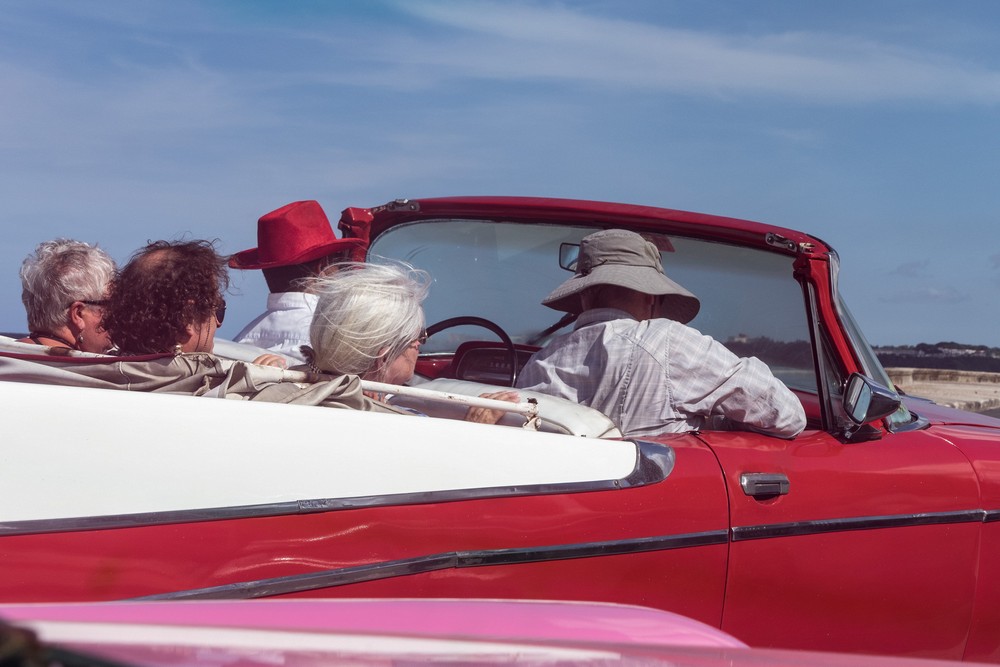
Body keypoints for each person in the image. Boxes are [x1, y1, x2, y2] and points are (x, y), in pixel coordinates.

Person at [516, 229, 806, 439]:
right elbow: (787, 415)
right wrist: (717, 424)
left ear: (582, 296)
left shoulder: (539, 364)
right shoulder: (668, 342)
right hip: (653, 511)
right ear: (652, 296)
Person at [306, 261, 517, 424]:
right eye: (417, 338)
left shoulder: (292, 390)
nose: (420, 345)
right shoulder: (406, 425)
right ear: (385, 356)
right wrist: (475, 427)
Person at [229, 200, 363, 362]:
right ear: (324, 265)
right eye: (337, 259)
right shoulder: (337, 338)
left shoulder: (240, 341)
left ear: (265, 269)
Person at [103, 240, 232, 355]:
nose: (218, 323)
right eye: (218, 309)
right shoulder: (202, 381)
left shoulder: (94, 372)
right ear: (187, 316)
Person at [17, 238, 116, 353]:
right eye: (111, 306)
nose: (117, 319)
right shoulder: (93, 370)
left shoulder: (7, 358)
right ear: (78, 314)